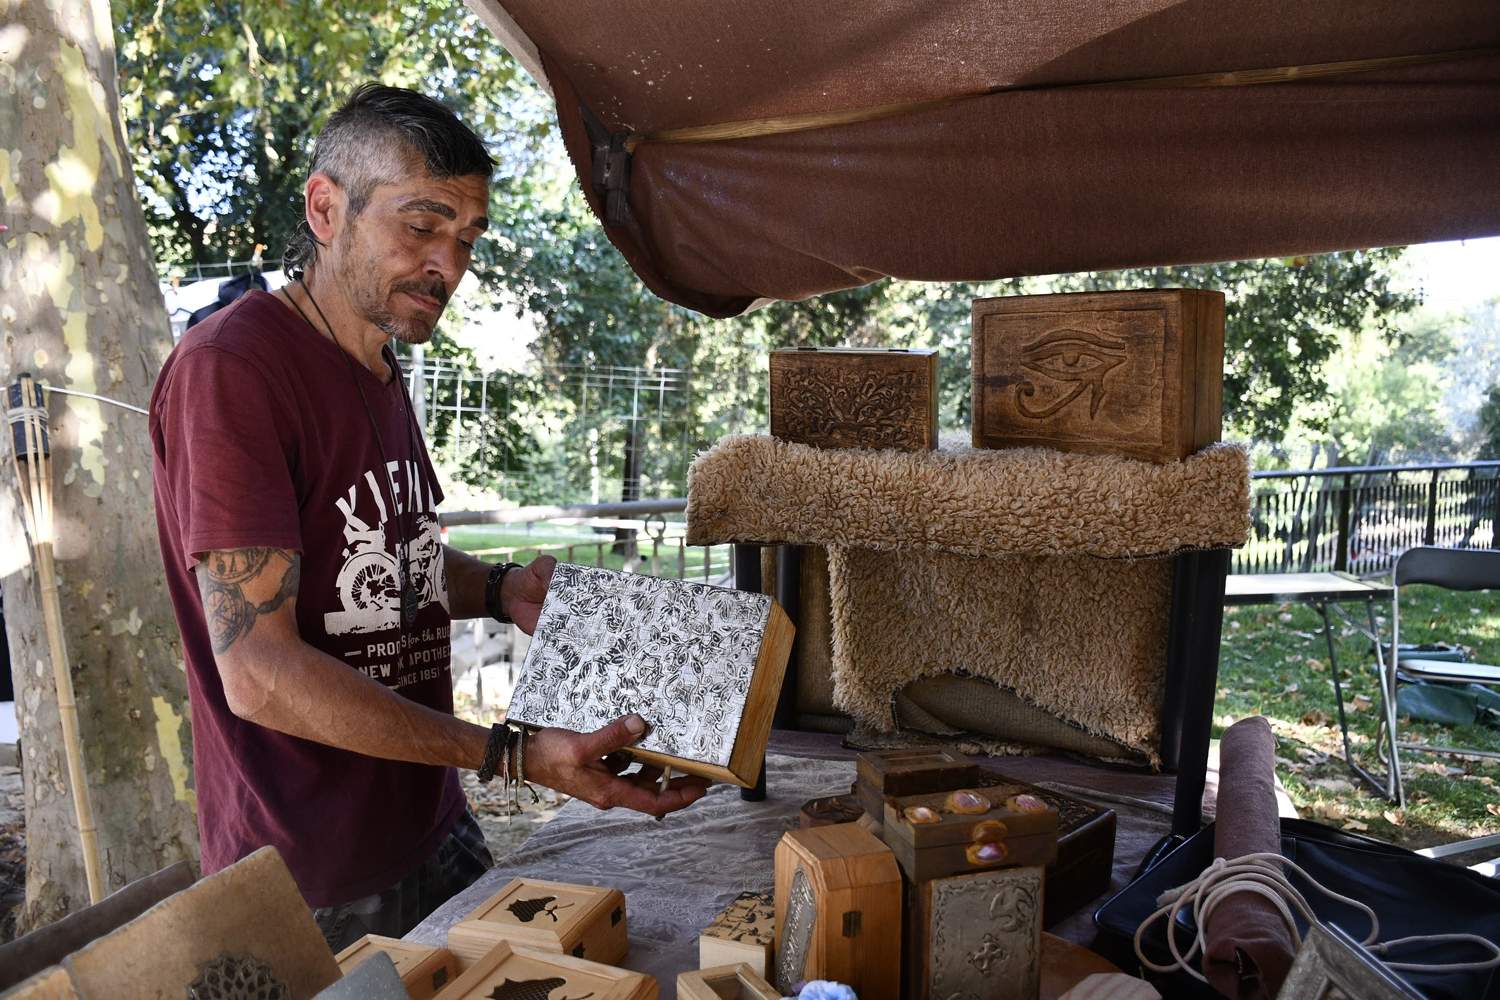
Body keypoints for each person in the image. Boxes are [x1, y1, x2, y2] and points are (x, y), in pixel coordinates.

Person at [149, 83, 709, 949]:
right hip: (316, 871)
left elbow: (383, 551)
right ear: (326, 207)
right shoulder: (233, 369)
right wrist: (510, 755)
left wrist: (499, 587)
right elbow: (256, 671)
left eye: (467, 237)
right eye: (422, 225)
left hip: (431, 821)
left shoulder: (376, 360)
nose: (448, 264)